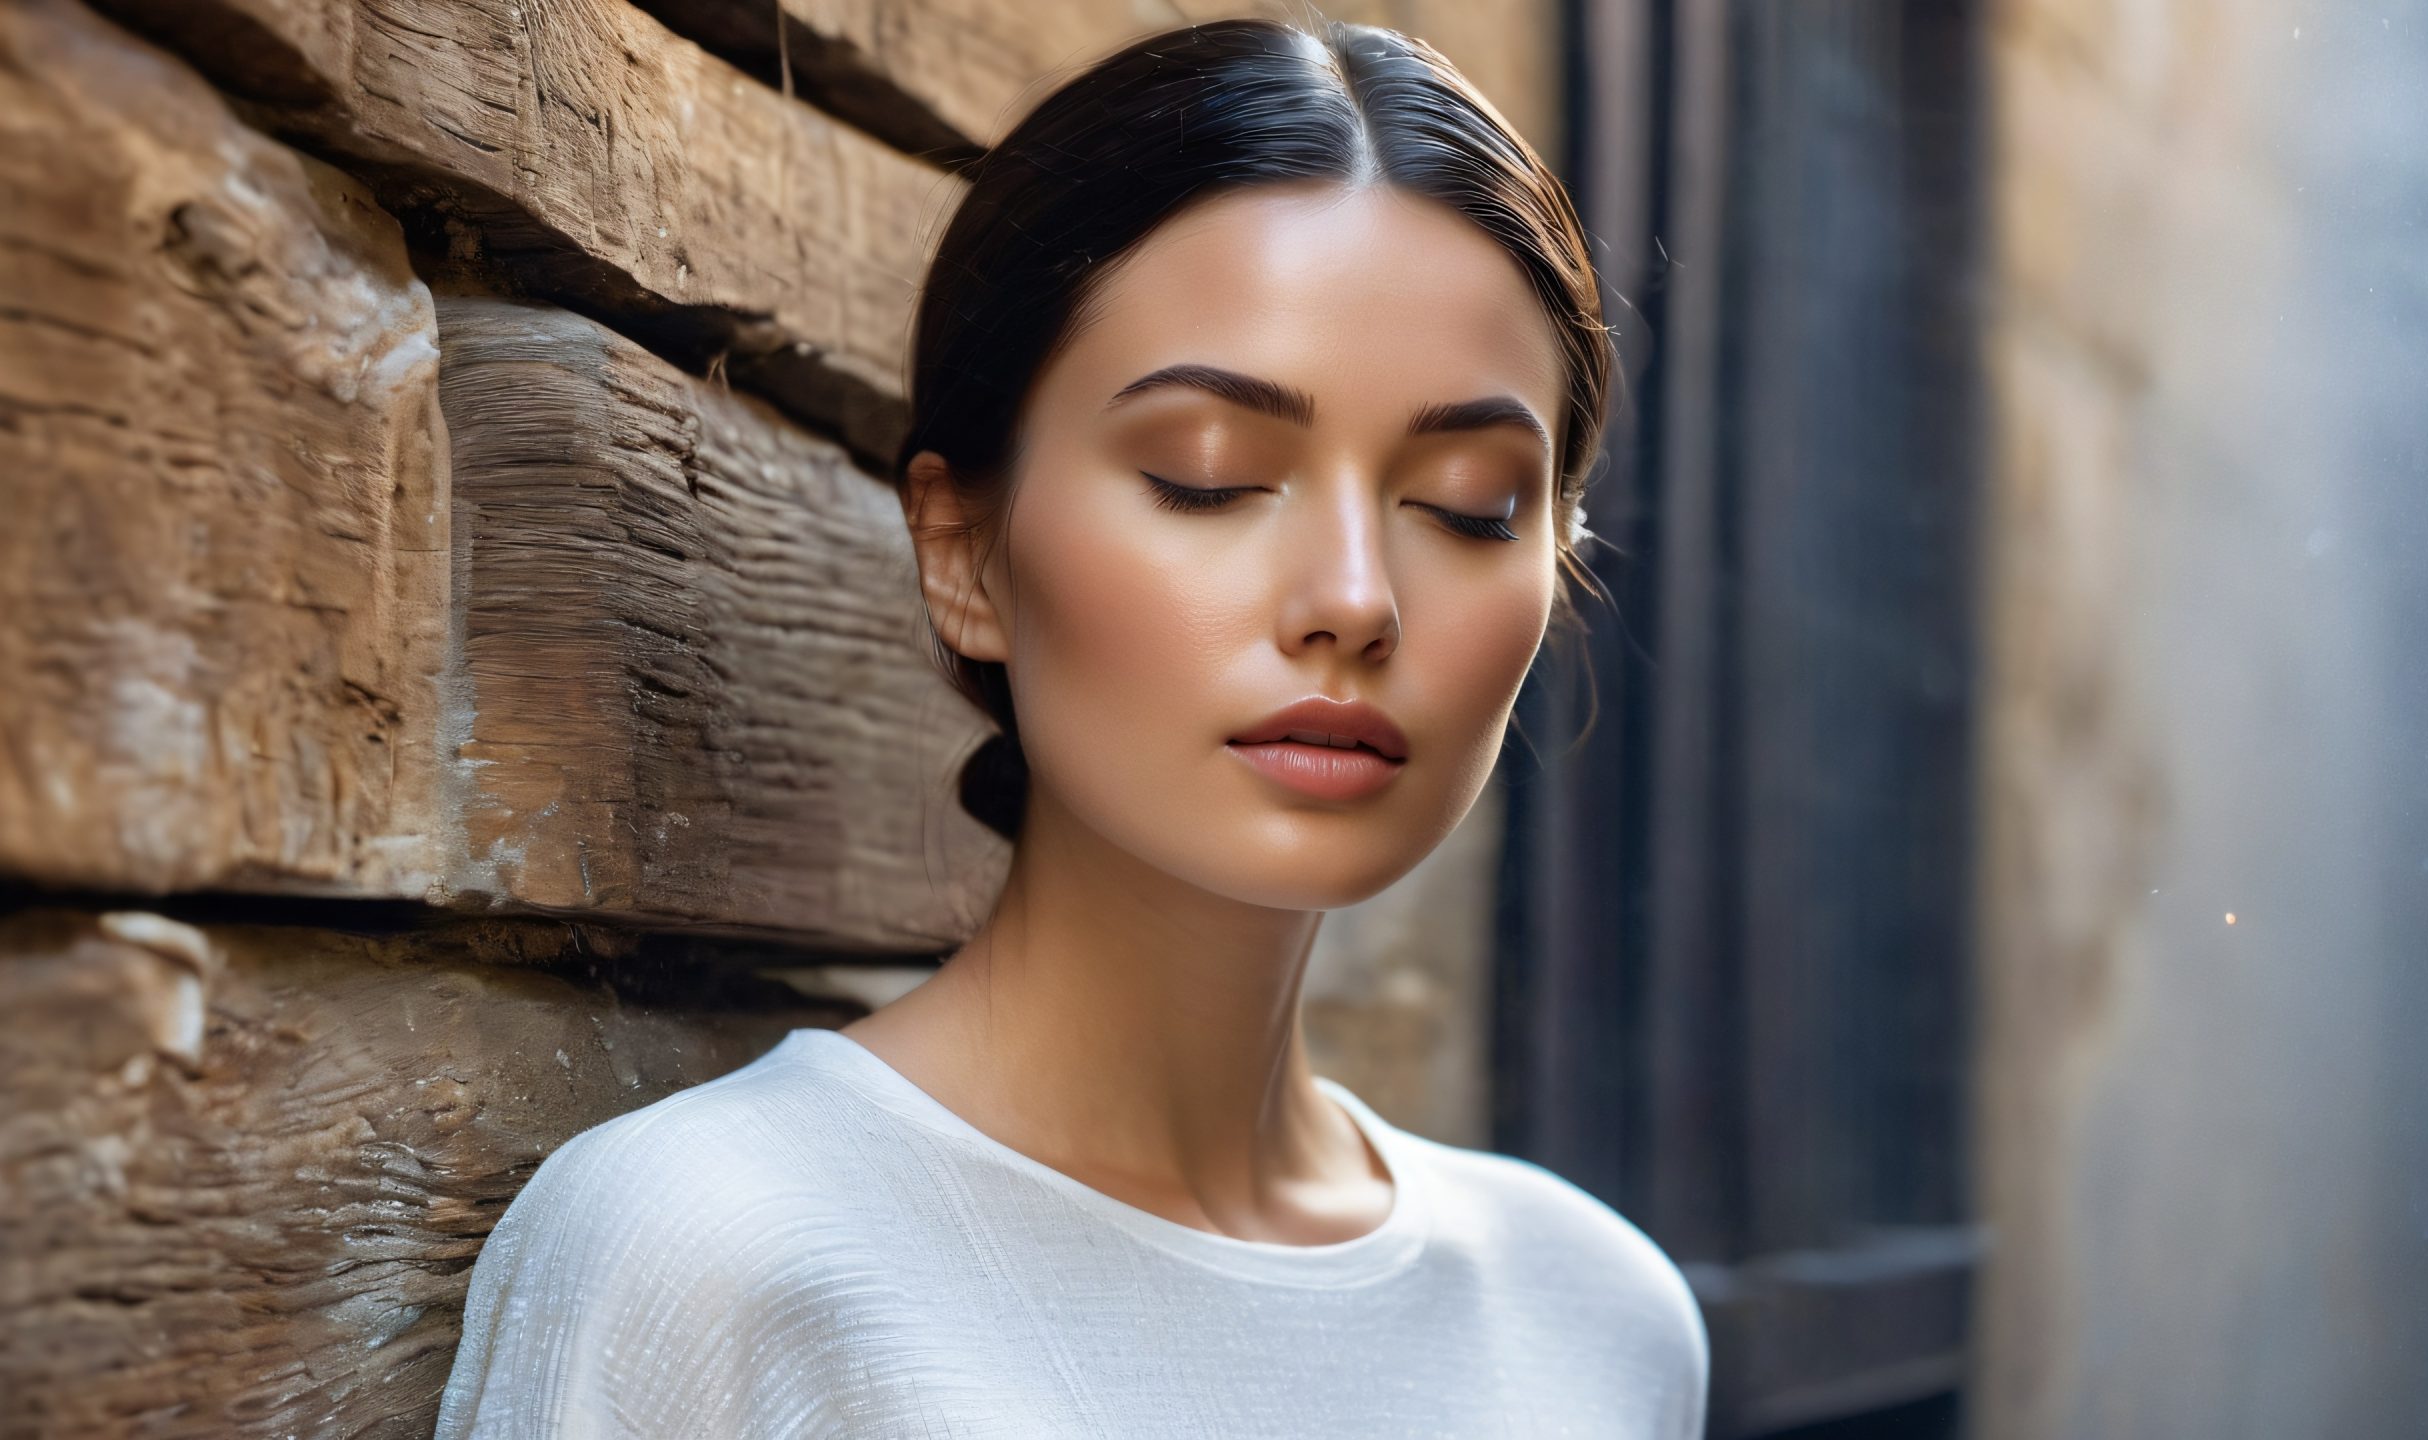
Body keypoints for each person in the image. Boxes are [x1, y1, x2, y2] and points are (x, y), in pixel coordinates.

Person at [436, 17, 1709, 1438]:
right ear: (964, 550)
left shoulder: (1599, 1320)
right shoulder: (707, 1257)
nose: (1353, 601)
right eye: (1207, 476)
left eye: (1471, 504)